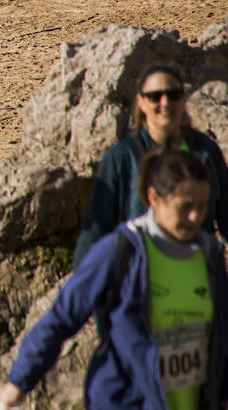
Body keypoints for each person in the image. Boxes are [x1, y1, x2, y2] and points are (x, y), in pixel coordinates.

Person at [0, 148, 228, 410]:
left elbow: (220, 333)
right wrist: (16, 384)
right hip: (123, 402)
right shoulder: (120, 251)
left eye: (202, 207)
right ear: (154, 198)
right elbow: (62, 318)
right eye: (185, 207)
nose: (195, 217)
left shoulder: (209, 254)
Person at [74, 64, 228, 266]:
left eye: (173, 94)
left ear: (184, 99)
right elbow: (94, 233)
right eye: (155, 96)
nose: (165, 103)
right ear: (141, 102)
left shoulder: (206, 152)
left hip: (198, 275)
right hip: (139, 280)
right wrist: (85, 286)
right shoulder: (121, 158)